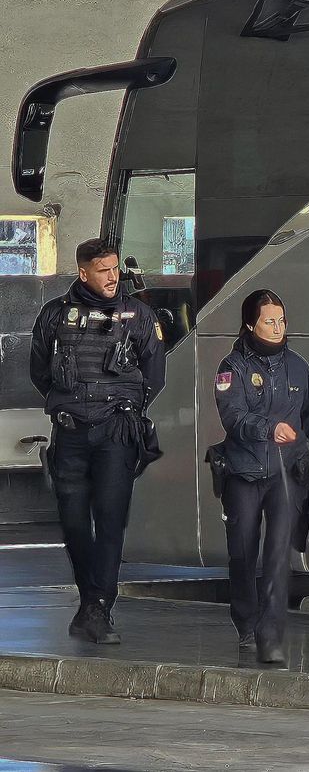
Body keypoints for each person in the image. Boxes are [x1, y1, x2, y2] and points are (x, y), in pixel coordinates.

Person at [28, 238, 167, 645]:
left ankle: (98, 607)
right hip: (70, 431)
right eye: (103, 270)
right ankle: (91, 602)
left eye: (114, 269)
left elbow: (154, 376)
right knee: (73, 523)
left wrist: (125, 410)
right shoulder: (54, 315)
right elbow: (40, 371)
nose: (112, 277)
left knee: (109, 521)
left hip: (116, 433)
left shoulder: (139, 315)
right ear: (83, 272)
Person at [213, 290, 309, 664]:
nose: (277, 328)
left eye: (281, 321)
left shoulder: (298, 366)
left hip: (285, 475)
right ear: (250, 325)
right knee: (243, 554)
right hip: (243, 473)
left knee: (277, 556)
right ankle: (245, 621)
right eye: (268, 322)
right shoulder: (232, 367)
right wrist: (268, 427)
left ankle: (270, 635)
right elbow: (233, 417)